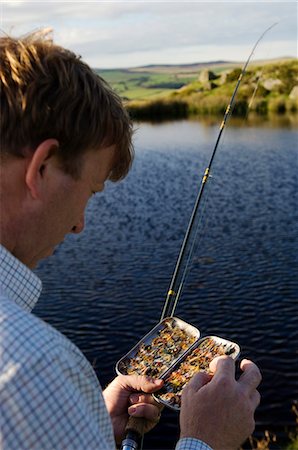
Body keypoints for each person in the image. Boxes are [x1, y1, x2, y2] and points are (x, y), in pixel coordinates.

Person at [0, 31, 261, 450]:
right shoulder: (35, 368)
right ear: (42, 167)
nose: (79, 225)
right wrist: (206, 440)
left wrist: (91, 428)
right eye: (90, 190)